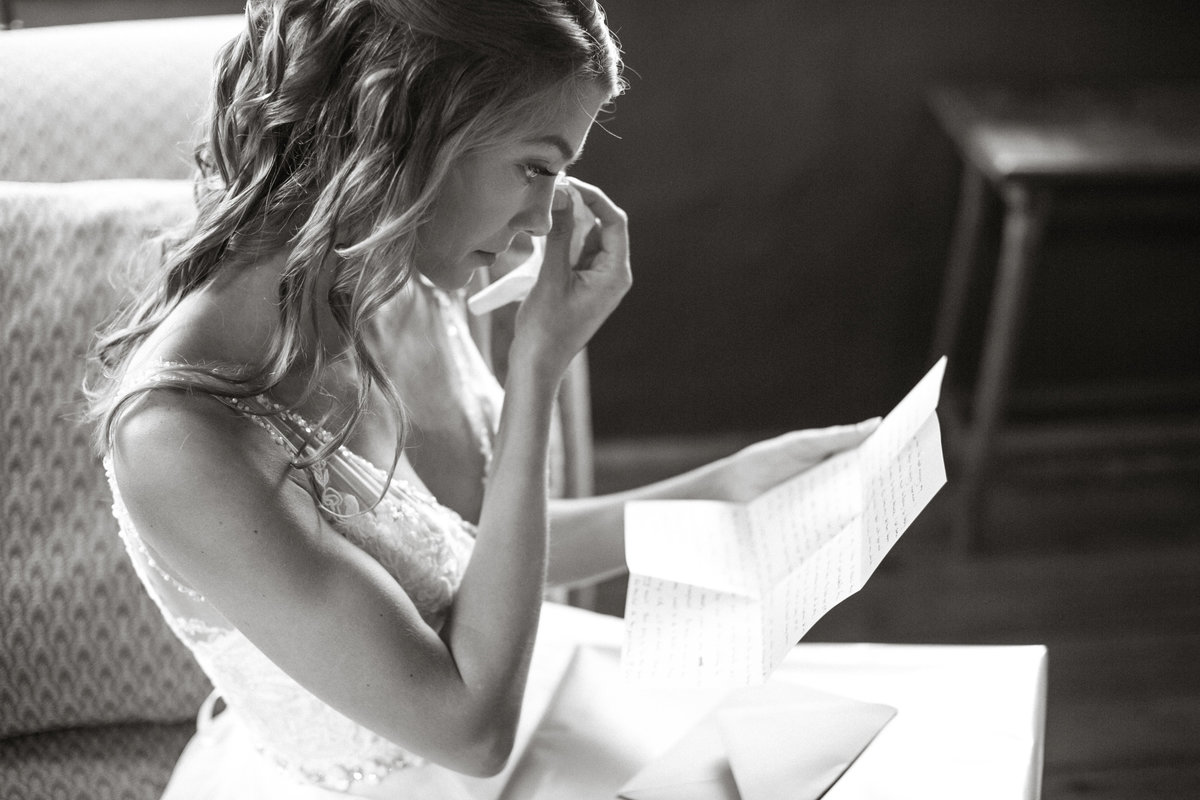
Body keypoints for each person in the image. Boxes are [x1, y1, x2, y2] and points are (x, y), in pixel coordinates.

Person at [87, 1, 876, 797]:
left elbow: (465, 556)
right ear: (406, 129)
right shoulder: (177, 441)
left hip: (546, 718)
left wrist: (729, 491)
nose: (542, 222)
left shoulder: (394, 278)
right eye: (537, 166)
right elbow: (470, 731)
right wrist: (539, 372)